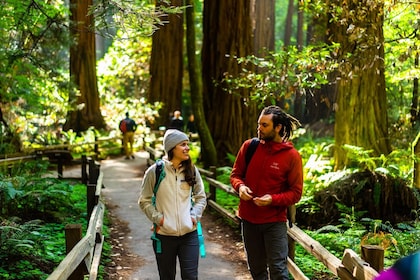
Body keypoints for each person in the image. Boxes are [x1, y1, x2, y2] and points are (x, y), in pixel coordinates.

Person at [230, 105, 303, 280]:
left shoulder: (292, 156)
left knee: (278, 270)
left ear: (277, 127)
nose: (259, 129)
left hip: (274, 222)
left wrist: (273, 199)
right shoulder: (249, 147)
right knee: (257, 270)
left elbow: (296, 193)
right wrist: (240, 187)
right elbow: (235, 175)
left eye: (264, 125)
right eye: (259, 124)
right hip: (248, 220)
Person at [139, 129, 207, 280]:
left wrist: (194, 216)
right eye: (183, 144)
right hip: (164, 237)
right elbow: (144, 200)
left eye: (187, 144)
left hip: (189, 235)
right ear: (171, 147)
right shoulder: (155, 171)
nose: (187, 148)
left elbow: (201, 197)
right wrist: (159, 219)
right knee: (167, 277)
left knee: (190, 276)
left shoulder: (191, 170)